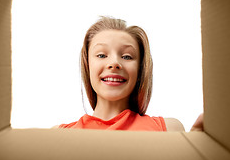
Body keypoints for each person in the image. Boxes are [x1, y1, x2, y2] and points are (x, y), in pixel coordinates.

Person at [56, 16, 203, 132]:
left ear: (140, 70)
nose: (114, 63)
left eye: (127, 56)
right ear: (87, 66)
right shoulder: (58, 136)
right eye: (101, 55)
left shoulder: (168, 130)